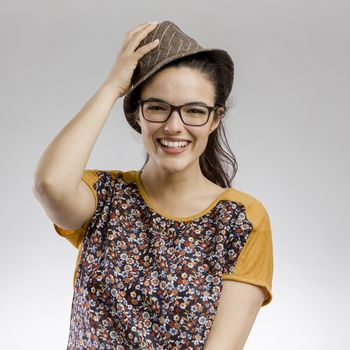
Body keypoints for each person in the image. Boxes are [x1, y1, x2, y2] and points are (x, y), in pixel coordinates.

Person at [33, 20, 273, 350]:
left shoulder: (240, 219)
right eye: (158, 108)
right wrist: (111, 88)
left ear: (215, 119)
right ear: (138, 115)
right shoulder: (104, 197)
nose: (175, 126)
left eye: (194, 111)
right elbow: (50, 185)